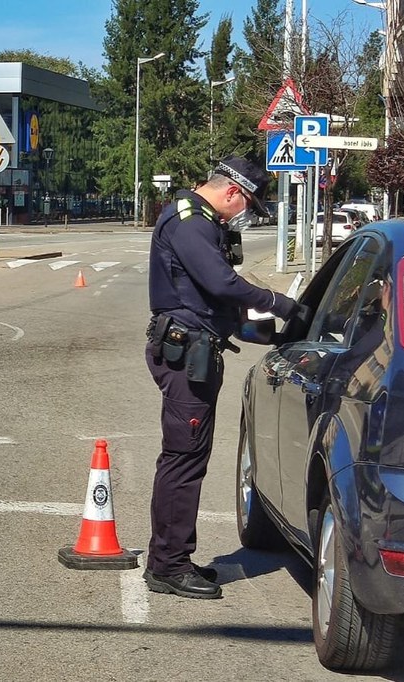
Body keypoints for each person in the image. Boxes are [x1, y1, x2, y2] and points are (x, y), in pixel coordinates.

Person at [144, 157, 307, 600]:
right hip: (185, 355)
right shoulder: (192, 223)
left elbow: (210, 302)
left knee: (187, 457)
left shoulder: (198, 219)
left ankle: (170, 557)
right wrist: (278, 302)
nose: (246, 214)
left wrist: (266, 333)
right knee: (183, 459)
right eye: (248, 204)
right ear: (232, 192)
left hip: (193, 349)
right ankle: (169, 567)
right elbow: (221, 285)